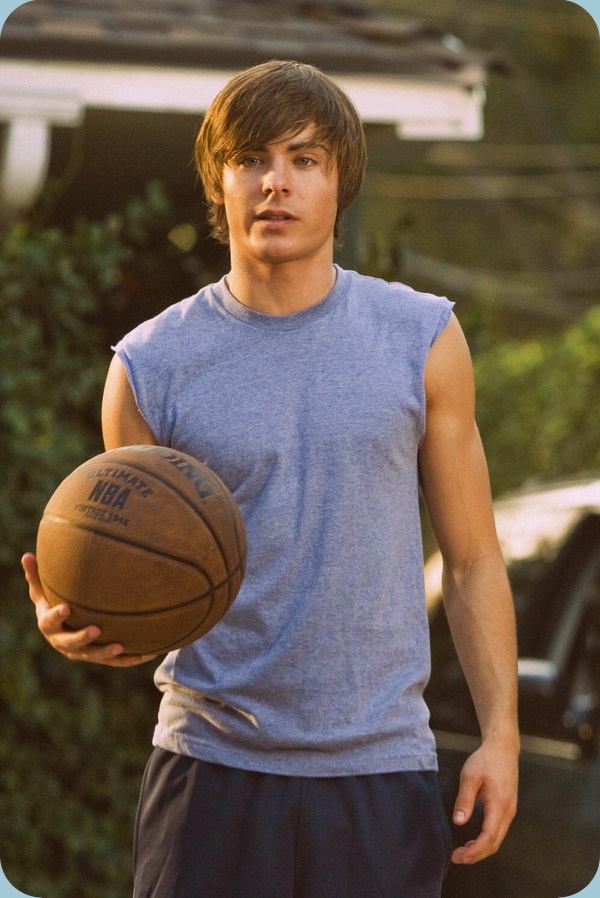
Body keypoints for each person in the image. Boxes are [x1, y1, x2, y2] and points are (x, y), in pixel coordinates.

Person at [23, 59, 519, 898]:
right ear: (220, 183)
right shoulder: (150, 367)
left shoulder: (422, 338)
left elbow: (472, 562)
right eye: (251, 159)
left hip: (376, 771)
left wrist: (502, 733)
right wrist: (86, 615)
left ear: (340, 183)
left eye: (303, 159)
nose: (275, 184)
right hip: (208, 771)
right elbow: (139, 578)